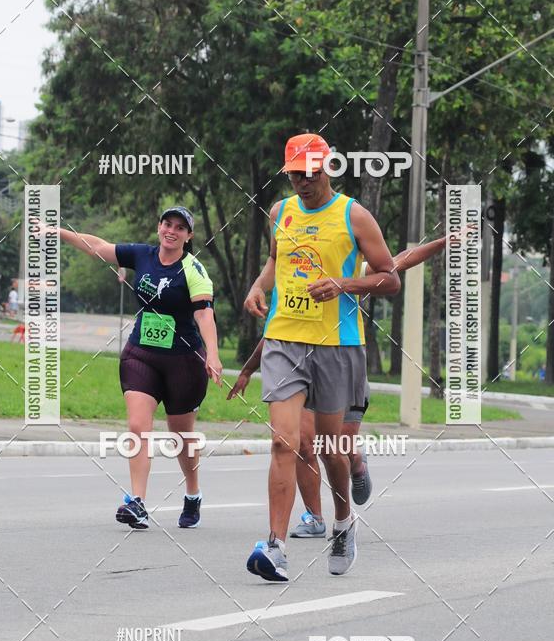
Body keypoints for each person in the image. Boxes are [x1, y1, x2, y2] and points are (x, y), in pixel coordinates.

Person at [243, 133, 400, 581]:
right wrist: (259, 286)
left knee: (333, 448)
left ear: (328, 166)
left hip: (337, 344)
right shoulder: (281, 212)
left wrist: (344, 284)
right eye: (295, 173)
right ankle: (275, 548)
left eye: (311, 172)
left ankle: (344, 521)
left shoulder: (354, 215)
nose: (303, 181)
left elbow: (389, 278)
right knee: (284, 442)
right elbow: (276, 262)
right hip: (284, 340)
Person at [230, 235, 448, 536]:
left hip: (341, 363)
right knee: (304, 443)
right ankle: (315, 518)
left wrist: (443, 242)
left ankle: (356, 463)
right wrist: (248, 370)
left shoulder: (351, 271)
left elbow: (402, 260)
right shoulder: (291, 280)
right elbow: (275, 330)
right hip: (298, 366)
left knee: (335, 446)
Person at [58, 206, 222, 530]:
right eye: (167, 224)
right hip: (141, 355)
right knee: (137, 427)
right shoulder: (142, 256)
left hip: (183, 362)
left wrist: (213, 355)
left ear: (188, 236)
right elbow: (98, 247)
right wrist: (58, 233)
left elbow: (204, 315)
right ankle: (138, 503)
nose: (171, 231)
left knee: (181, 436)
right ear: (159, 226)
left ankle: (192, 494)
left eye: (179, 227)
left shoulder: (194, 269)